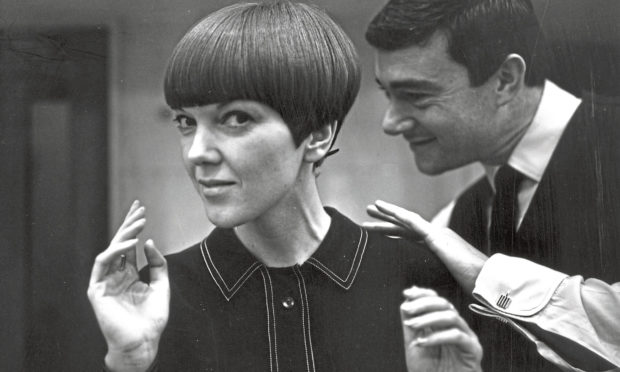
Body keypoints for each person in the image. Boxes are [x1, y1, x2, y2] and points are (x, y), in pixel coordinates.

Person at [87, 2, 482, 371]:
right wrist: (129, 363)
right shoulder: (157, 297)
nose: (197, 153)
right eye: (186, 122)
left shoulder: (420, 279)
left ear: (318, 135)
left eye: (236, 118)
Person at [363, 0, 620, 371]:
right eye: (389, 95)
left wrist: (485, 274)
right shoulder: (453, 220)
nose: (390, 122)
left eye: (415, 96)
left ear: (505, 80)